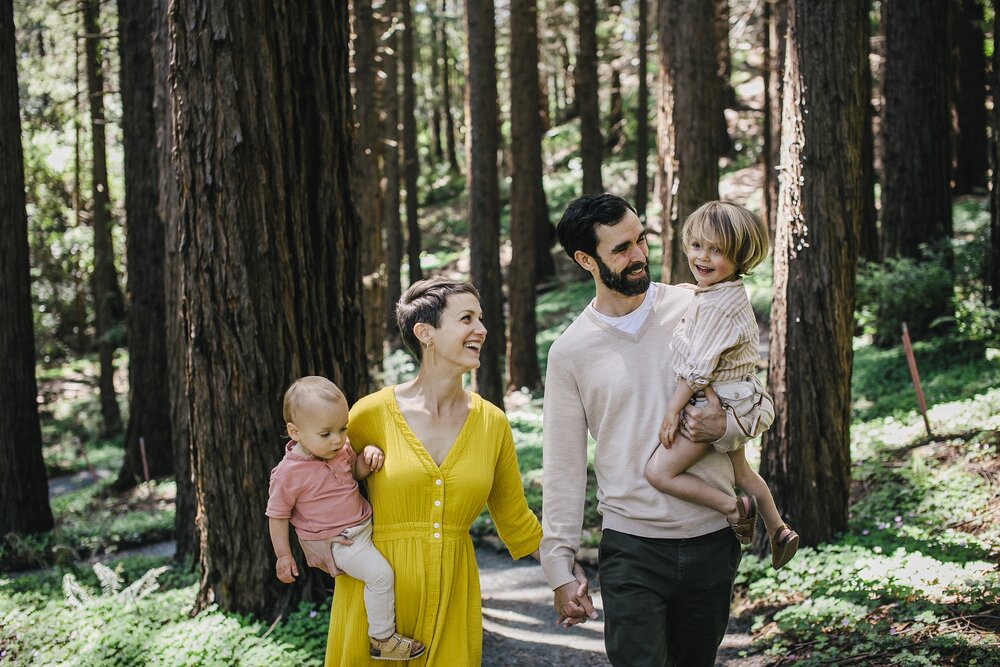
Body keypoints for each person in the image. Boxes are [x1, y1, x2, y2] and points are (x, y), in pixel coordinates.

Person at [540, 193, 775, 666]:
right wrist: (559, 566)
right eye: (621, 248)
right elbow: (563, 467)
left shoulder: (699, 306)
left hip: (712, 538)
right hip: (632, 547)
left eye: (641, 240)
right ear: (586, 260)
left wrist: (723, 428)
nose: (639, 255)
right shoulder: (570, 352)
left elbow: (760, 403)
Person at [298, 278, 568, 666]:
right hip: (375, 602)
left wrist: (563, 581)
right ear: (425, 333)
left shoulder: (492, 423)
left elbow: (516, 519)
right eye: (466, 318)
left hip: (453, 596)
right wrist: (308, 538)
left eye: (481, 318)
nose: (482, 329)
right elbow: (308, 475)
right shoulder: (368, 415)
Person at [643, 201, 798, 570]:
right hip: (739, 397)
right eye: (697, 246)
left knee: (659, 473)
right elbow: (707, 305)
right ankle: (779, 529)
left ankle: (733, 508)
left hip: (718, 403)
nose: (703, 256)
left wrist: (672, 410)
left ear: (740, 256)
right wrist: (692, 291)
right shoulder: (722, 292)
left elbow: (697, 368)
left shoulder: (716, 307)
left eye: (717, 250)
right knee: (743, 473)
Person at [265, 376, 426, 661]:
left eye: (342, 428)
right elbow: (277, 514)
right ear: (295, 431)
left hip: (364, 526)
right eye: (326, 433)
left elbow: (354, 474)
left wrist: (367, 458)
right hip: (341, 541)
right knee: (380, 577)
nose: (338, 439)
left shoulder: (339, 450)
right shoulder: (288, 474)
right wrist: (283, 555)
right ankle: (382, 639)